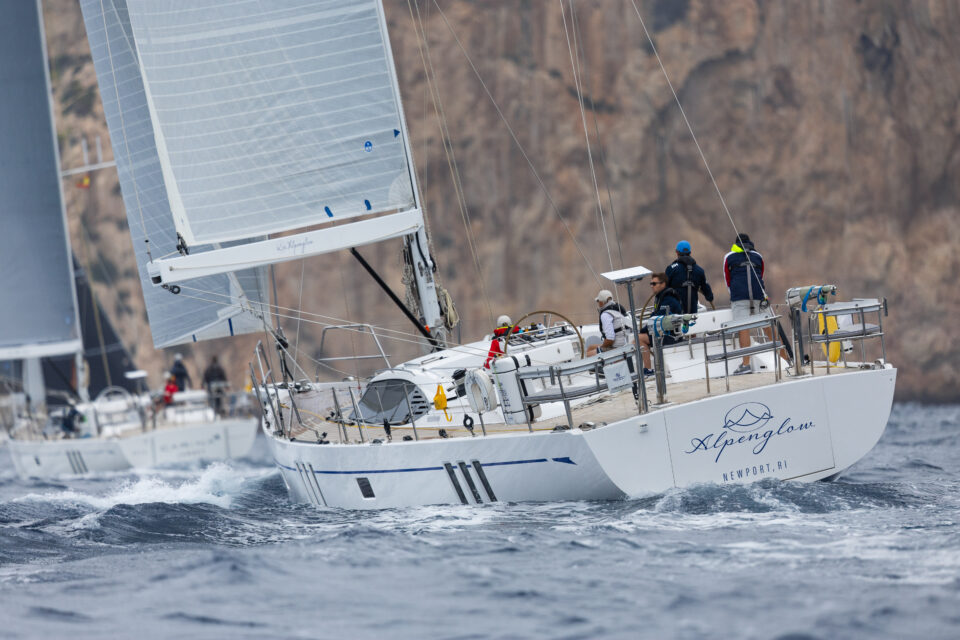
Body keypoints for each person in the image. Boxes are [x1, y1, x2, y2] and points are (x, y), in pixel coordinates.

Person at [723, 233, 770, 374]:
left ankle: (746, 365)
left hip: (739, 296)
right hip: (758, 296)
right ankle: (786, 359)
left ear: (736, 244)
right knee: (769, 326)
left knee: (743, 328)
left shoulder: (729, 257)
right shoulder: (758, 256)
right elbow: (760, 274)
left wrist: (734, 295)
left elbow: (727, 279)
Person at [636, 273, 683, 371]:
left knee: (638, 339)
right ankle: (647, 368)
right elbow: (655, 315)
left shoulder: (668, 300)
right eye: (651, 284)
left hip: (670, 336)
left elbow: (657, 318)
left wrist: (643, 330)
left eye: (654, 283)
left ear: (663, 284)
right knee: (637, 339)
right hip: (663, 332)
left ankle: (648, 369)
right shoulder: (661, 298)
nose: (651, 286)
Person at [665, 240, 714, 314]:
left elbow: (663, 289)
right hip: (692, 314)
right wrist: (710, 297)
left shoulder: (671, 269)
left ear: (677, 252)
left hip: (676, 314)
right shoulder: (699, 270)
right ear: (690, 252)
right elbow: (706, 289)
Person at [587, 290, 629, 357]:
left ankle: (603, 367)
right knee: (590, 347)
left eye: (598, 301)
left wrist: (602, 347)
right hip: (625, 344)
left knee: (589, 353)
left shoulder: (605, 314)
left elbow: (610, 339)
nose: (598, 303)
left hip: (616, 347)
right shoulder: (617, 309)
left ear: (601, 302)